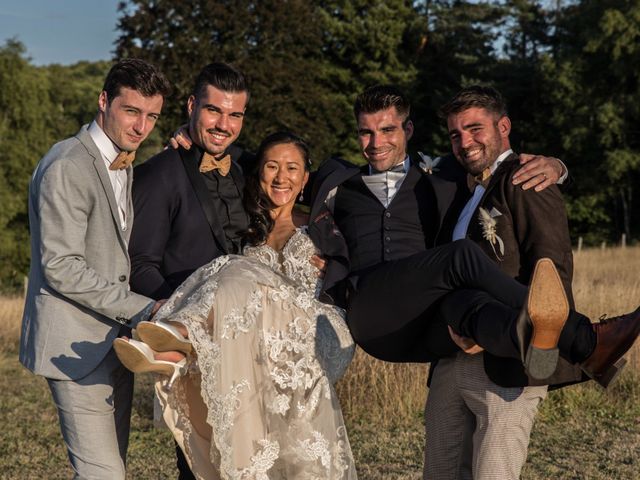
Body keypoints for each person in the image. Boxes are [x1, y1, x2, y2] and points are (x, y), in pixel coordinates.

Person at [307, 84, 640, 387]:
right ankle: (585, 338)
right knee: (459, 255)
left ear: (408, 130)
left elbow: (498, 164)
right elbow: (272, 177)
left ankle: (547, 347)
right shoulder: (338, 181)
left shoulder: (443, 177)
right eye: (365, 133)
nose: (376, 143)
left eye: (387, 130)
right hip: (371, 315)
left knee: (471, 304)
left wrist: (557, 166)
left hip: (427, 324)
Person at [116, 132, 357, 479]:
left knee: (234, 267)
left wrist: (333, 267)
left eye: (292, 168)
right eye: (271, 166)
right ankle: (176, 354)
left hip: (316, 333)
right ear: (258, 173)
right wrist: (190, 145)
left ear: (306, 179)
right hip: (261, 346)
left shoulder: (321, 224)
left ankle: (182, 333)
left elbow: (351, 266)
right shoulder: (245, 230)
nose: (281, 176)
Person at [128, 61, 325, 478]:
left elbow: (296, 168)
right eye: (213, 110)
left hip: (255, 345)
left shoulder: (245, 167)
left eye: (234, 114)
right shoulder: (156, 175)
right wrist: (174, 310)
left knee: (261, 456)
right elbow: (140, 265)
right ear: (191, 106)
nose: (223, 124)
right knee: (202, 461)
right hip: (196, 343)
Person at [423, 85, 587, 480]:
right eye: (455, 134)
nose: (465, 141)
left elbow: (552, 270)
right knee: (439, 473)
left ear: (504, 126)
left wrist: (527, 340)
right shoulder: (462, 188)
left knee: (494, 474)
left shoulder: (527, 180)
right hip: (450, 358)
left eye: (475, 129)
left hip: (506, 364)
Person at [19, 59, 172, 479]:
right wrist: (143, 309)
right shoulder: (68, 165)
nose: (142, 127)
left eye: (152, 116)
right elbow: (62, 266)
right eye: (132, 111)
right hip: (74, 345)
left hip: (113, 342)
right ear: (104, 101)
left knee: (110, 467)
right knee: (103, 474)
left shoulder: (125, 161)